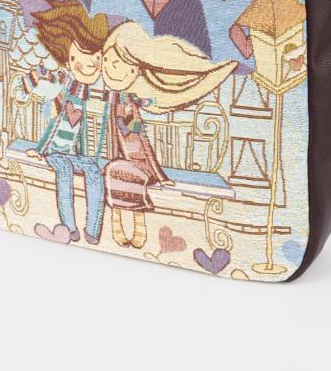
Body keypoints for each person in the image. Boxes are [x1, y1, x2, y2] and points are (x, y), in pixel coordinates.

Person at [102, 22, 238, 249]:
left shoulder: (130, 105)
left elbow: (140, 142)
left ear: (136, 70)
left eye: (117, 63)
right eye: (106, 60)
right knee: (115, 169)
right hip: (124, 160)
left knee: (118, 171)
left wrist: (158, 174)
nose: (108, 68)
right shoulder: (117, 99)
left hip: (139, 164)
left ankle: (135, 222)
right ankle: (119, 222)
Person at [26, 0, 109, 244]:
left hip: (74, 153)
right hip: (53, 151)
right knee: (63, 171)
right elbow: (38, 82)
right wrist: (34, 80)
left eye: (97, 58)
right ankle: (69, 228)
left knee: (94, 171)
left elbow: (113, 98)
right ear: (67, 56)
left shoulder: (89, 90)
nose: (91, 65)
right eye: (82, 58)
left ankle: (93, 231)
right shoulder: (62, 83)